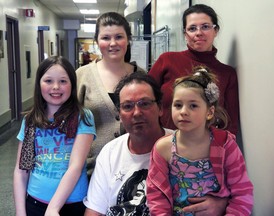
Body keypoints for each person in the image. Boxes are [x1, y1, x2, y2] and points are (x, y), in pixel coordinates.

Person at [83, 72, 228, 216]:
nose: (137, 112)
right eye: (128, 106)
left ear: (160, 108)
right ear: (119, 115)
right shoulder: (110, 152)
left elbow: (238, 191)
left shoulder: (190, 146)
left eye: (144, 104)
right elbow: (94, 210)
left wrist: (221, 204)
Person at [147, 66, 253, 216]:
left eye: (193, 106)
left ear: (209, 112)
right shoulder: (162, 148)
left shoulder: (225, 145)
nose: (183, 111)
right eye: (178, 105)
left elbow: (242, 192)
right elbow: (156, 196)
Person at [13, 56, 96, 216]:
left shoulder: (82, 117)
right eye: (48, 81)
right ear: (39, 84)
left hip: (72, 204)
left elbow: (75, 166)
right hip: (35, 202)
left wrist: (53, 208)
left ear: (72, 85)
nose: (56, 87)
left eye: (63, 81)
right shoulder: (30, 120)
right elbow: (21, 170)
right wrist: (20, 211)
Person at [148, 4, 239, 135]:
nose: (198, 33)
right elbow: (146, 99)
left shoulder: (227, 73)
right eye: (192, 28)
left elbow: (231, 126)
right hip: (163, 144)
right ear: (185, 33)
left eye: (205, 27)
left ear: (216, 31)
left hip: (205, 149)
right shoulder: (167, 60)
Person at [76, 12, 146, 178]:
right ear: (97, 41)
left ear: (128, 40)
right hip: (92, 169)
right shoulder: (82, 76)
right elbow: (70, 121)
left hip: (134, 168)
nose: (113, 43)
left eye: (119, 37)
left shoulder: (142, 76)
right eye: (106, 38)